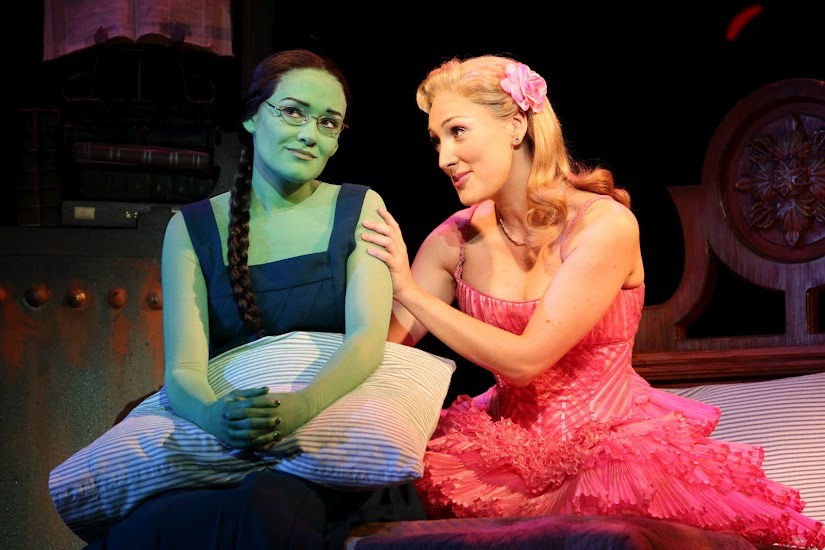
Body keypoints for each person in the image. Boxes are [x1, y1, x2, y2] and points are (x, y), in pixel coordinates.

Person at [361, 55, 825, 548]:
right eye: (437, 141)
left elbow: (526, 361)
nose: (444, 158)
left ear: (516, 125)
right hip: (495, 462)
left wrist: (411, 293)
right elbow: (378, 353)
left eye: (457, 132)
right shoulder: (452, 241)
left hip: (611, 455)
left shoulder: (603, 226)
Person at [86, 49, 424, 549]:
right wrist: (215, 417)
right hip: (226, 442)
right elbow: (184, 370)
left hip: (330, 445)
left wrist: (301, 404)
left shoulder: (360, 207)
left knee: (265, 511)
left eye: (328, 122)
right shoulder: (193, 227)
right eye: (293, 112)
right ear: (251, 116)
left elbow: (366, 339)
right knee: (145, 530)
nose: (310, 133)